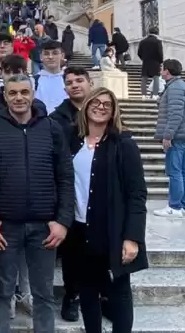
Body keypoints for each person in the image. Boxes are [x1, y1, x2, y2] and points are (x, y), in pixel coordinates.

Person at [0, 74, 74, 333]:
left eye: (24, 92)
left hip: (45, 226)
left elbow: (65, 176)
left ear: (32, 94)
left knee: (43, 294)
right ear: (5, 96)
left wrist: (62, 221)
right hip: (4, 226)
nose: (19, 97)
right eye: (12, 93)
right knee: (2, 290)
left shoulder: (52, 128)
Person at [63, 87, 148, 333]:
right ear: (86, 106)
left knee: (119, 293)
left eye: (107, 104)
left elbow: (137, 194)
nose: (100, 107)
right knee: (88, 292)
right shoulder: (71, 141)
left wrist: (132, 238)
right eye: (96, 102)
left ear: (113, 112)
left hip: (112, 230)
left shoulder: (123, 144)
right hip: (78, 230)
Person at [50, 66, 93, 322]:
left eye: (79, 80)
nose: (75, 85)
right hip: (71, 190)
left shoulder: (105, 111)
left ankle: (102, 295)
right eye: (69, 82)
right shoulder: (58, 117)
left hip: (100, 190)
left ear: (89, 82)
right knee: (73, 250)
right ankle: (72, 295)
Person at [153, 59, 185, 218]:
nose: (160, 71)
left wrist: (168, 135)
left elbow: (175, 114)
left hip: (177, 136)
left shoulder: (175, 88)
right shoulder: (178, 86)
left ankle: (175, 206)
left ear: (167, 71)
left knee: (174, 171)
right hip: (182, 134)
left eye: (162, 68)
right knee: (182, 171)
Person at [136, 27, 163, 100]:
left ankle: (143, 95)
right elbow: (160, 53)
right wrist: (160, 61)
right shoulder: (158, 41)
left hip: (146, 62)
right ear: (157, 33)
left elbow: (139, 53)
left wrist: (143, 58)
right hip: (155, 62)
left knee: (144, 79)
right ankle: (154, 94)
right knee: (156, 78)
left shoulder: (142, 41)